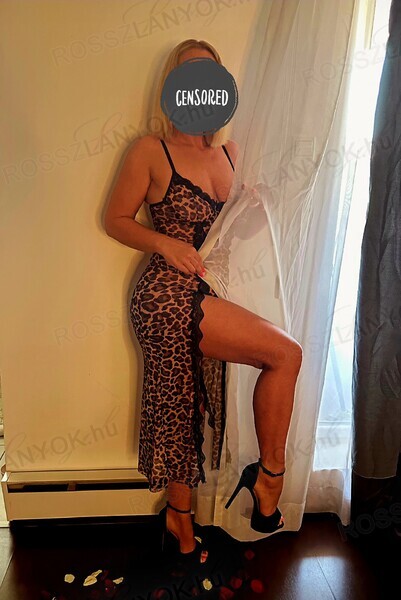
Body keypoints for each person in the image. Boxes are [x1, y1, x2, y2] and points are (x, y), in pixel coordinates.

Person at [105, 39, 302, 561]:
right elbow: (115, 219)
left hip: (209, 289)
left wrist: (254, 207)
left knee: (194, 399)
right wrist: (164, 242)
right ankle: (263, 483)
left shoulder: (231, 153)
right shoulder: (151, 150)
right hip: (164, 294)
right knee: (262, 364)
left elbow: (232, 234)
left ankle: (184, 517)